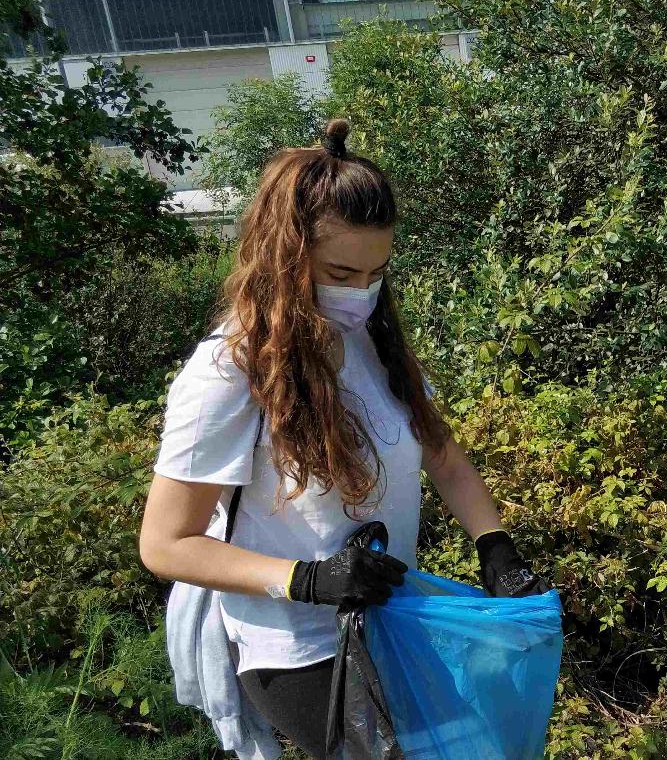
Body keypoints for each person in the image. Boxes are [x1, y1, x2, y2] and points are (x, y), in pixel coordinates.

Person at [139, 119, 550, 759]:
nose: (361, 292)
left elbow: (443, 456)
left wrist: (495, 546)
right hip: (299, 647)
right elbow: (167, 544)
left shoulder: (371, 343)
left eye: (376, 272)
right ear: (285, 252)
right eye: (340, 271)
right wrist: (308, 579)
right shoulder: (229, 371)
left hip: (390, 624)